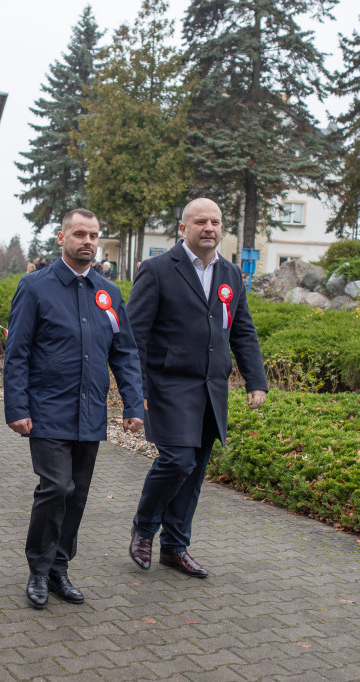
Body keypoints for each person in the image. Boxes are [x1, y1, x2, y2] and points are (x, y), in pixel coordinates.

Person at [3, 208, 144, 609]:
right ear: (61, 238)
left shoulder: (108, 292)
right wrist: (16, 406)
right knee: (56, 487)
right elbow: (17, 352)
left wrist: (133, 404)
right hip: (47, 408)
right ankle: (38, 569)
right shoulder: (35, 287)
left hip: (89, 410)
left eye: (94, 235)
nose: (88, 241)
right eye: (80, 234)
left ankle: (59, 569)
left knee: (77, 494)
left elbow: (125, 352)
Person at [125, 198, 268, 578]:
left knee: (195, 469)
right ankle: (144, 528)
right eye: (201, 221)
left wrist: (256, 380)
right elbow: (135, 335)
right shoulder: (157, 270)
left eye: (215, 222)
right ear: (183, 228)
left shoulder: (231, 273)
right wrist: (136, 389)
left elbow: (243, 330)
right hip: (168, 384)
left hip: (211, 388)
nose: (209, 228)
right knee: (178, 460)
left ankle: (175, 547)